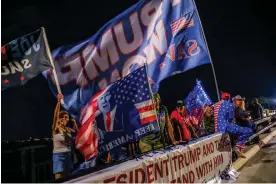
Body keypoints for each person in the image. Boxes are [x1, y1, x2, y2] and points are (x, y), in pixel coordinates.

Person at [214, 92, 253, 158]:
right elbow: (230, 118)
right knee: (249, 130)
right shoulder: (230, 105)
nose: (240, 102)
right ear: (229, 98)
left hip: (217, 129)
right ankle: (238, 146)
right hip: (226, 127)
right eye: (239, 100)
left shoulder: (216, 105)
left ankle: (238, 148)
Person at [52, 94, 78, 180]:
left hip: (68, 154)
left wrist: (74, 123)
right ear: (59, 119)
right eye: (62, 117)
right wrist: (59, 102)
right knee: (59, 178)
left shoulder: (68, 129)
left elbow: (76, 132)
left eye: (66, 118)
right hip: (59, 155)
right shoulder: (56, 128)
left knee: (69, 178)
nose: (64, 119)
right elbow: (55, 116)